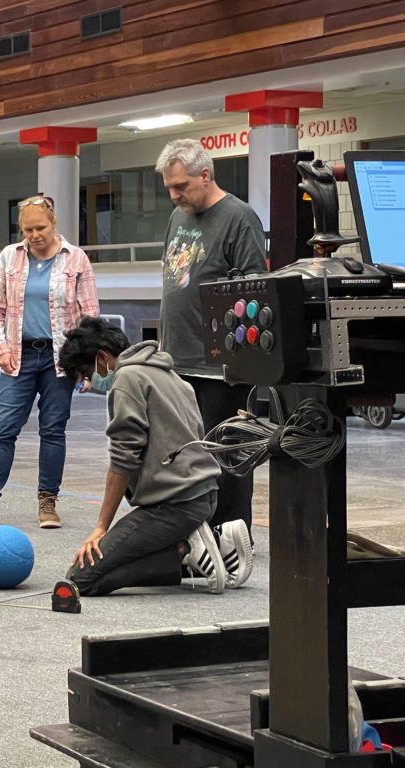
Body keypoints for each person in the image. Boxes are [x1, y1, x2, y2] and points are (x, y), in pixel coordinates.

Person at [58, 316, 252, 596]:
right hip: (205, 495)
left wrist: (101, 527)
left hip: (175, 505)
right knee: (121, 556)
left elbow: (123, 460)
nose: (90, 383)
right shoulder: (167, 372)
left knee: (81, 578)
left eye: (88, 375)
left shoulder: (126, 379)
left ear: (102, 357)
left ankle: (188, 551)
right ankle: (207, 546)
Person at [155, 138, 265, 588]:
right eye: (169, 187)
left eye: (181, 186)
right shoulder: (177, 216)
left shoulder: (239, 217)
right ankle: (198, 539)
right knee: (188, 459)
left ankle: (235, 538)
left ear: (206, 175)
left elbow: (256, 290)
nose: (175, 195)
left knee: (228, 456)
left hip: (221, 367)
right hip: (178, 361)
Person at [0, 195, 99, 531]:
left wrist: (87, 364)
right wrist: (0, 346)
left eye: (40, 228)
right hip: (18, 356)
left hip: (59, 360)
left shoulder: (76, 259)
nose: (34, 235)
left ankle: (48, 502)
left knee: (53, 430)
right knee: (3, 430)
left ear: (54, 224)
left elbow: (89, 315)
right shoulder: (10, 257)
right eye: (27, 229)